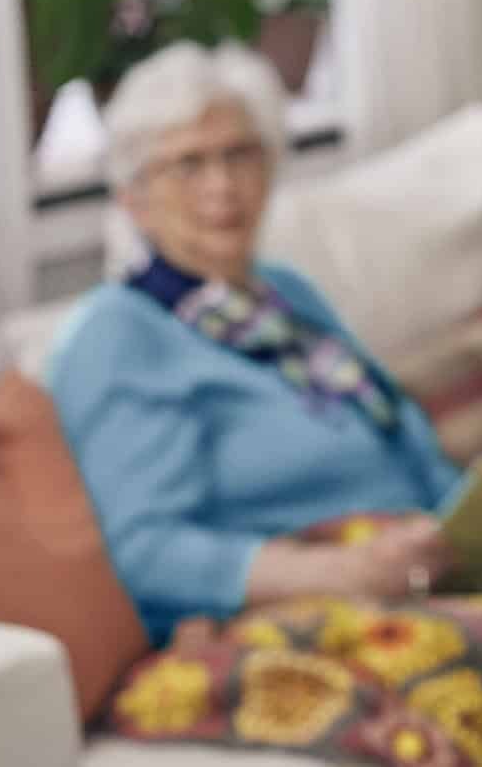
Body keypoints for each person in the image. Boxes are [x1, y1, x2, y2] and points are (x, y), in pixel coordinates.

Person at [48, 42, 460, 645]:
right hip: (282, 616)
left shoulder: (286, 293)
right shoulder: (120, 335)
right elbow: (144, 549)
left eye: (240, 155)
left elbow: (398, 430)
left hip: (418, 574)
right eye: (187, 165)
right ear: (133, 200)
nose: (222, 186)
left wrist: (473, 522)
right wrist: (341, 572)